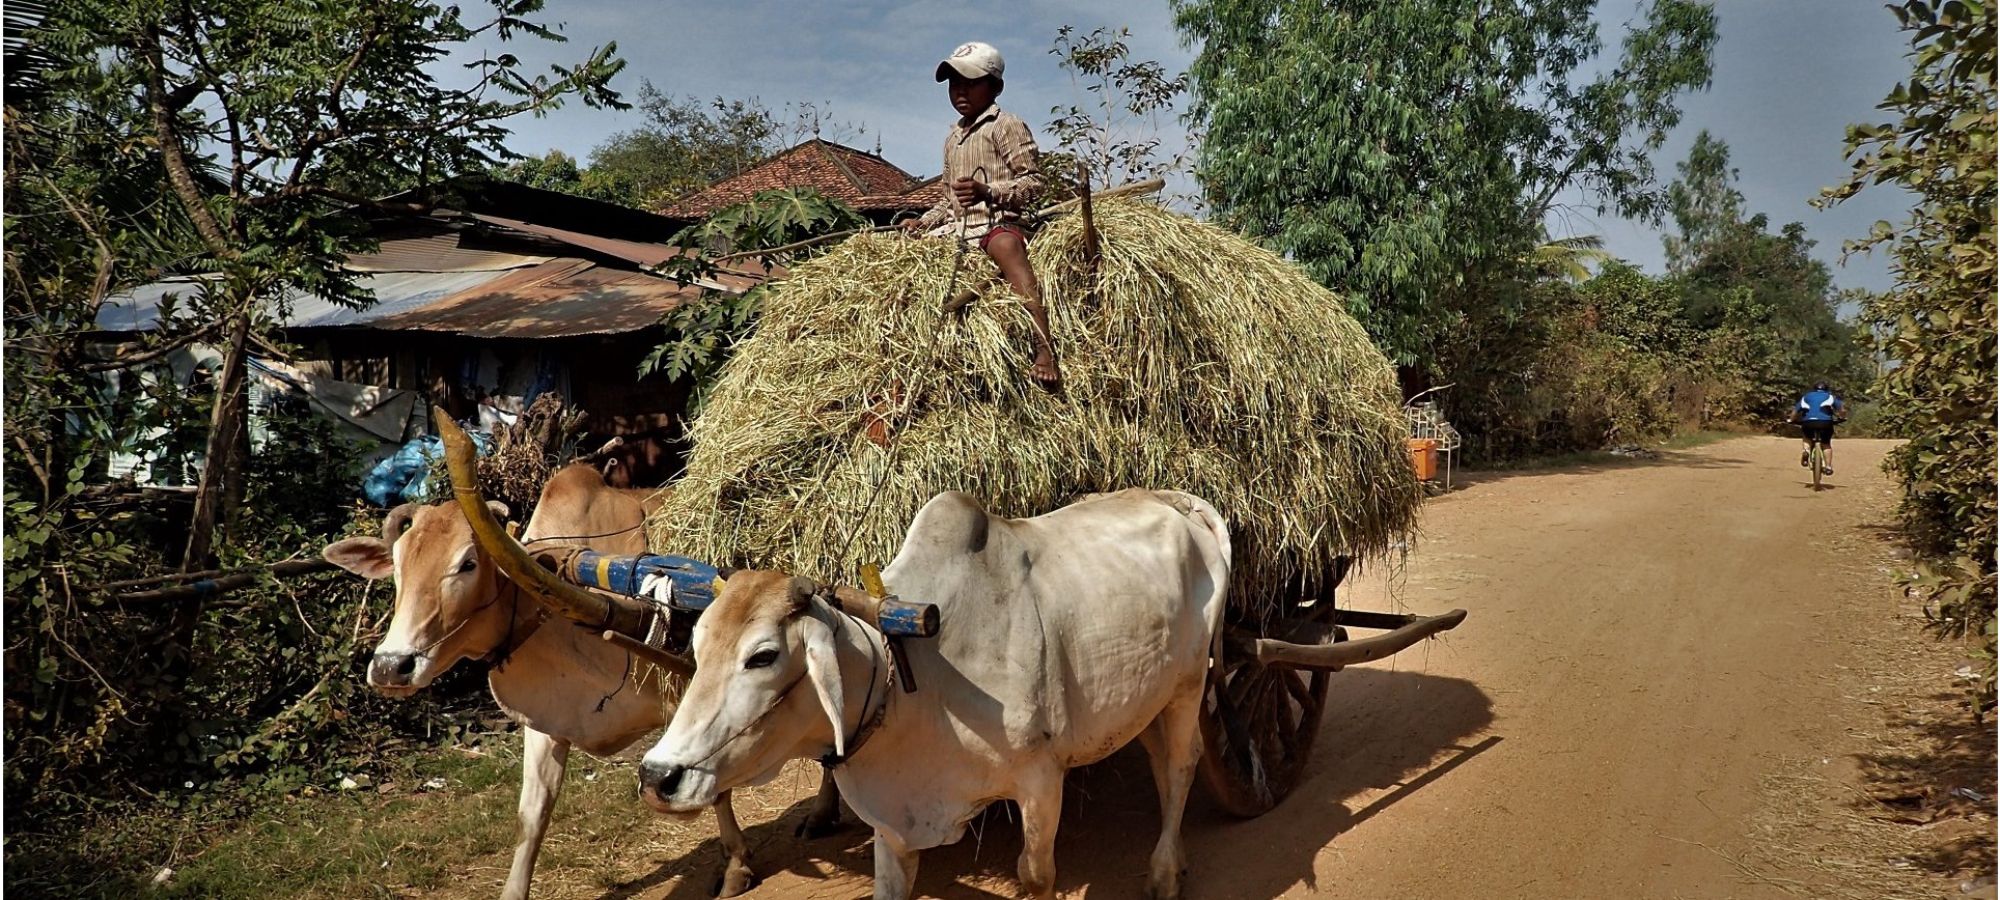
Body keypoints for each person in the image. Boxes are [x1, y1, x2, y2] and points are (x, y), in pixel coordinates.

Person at [904, 41, 1060, 388]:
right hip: (958, 232)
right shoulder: (951, 138)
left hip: (999, 224)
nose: (960, 90)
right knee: (904, 259)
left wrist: (988, 192)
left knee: (1005, 246)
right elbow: (948, 202)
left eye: (971, 82)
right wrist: (921, 222)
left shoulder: (1006, 125)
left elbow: (1034, 183)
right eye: (954, 83)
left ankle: (1044, 346)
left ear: (995, 87)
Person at [1791, 381, 1845, 475]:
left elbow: (1795, 412)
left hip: (1808, 422)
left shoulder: (1806, 396)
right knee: (1826, 443)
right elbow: (1842, 410)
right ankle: (1828, 466)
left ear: (1814, 388)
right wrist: (1842, 417)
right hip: (1825, 423)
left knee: (1807, 437)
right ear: (1826, 389)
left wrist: (1791, 420)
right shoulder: (1830, 396)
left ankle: (1806, 451)